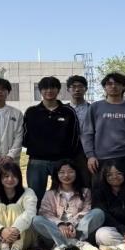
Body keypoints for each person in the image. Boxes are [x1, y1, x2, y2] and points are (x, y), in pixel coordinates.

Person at [23, 76, 80, 204]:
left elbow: (75, 135)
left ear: (58, 90)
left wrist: (69, 156)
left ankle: (63, 216)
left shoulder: (68, 111)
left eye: (53, 87)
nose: (49, 91)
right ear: (40, 91)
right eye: (45, 88)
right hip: (37, 160)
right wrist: (34, 147)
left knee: (63, 195)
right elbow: (24, 134)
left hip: (62, 160)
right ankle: (35, 216)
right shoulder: (32, 111)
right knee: (34, 196)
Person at [80, 72, 125, 186]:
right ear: (104, 87)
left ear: (124, 87)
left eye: (117, 83)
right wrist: (90, 156)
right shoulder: (95, 107)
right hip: (101, 158)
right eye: (109, 84)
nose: (113, 86)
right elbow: (87, 133)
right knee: (100, 191)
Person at [31, 160, 103, 250]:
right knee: (37, 219)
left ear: (76, 173)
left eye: (70, 172)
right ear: (56, 175)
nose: (66, 175)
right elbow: (45, 213)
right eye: (62, 172)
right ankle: (78, 244)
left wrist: (71, 223)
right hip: (55, 231)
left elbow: (86, 211)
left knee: (98, 213)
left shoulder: (85, 192)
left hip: (78, 230)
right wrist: (60, 224)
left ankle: (63, 244)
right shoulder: (50, 194)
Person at [66, 74, 92, 183]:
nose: (77, 89)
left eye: (80, 86)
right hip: (67, 151)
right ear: (68, 89)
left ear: (86, 89)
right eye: (73, 87)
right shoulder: (63, 109)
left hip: (87, 152)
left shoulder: (92, 109)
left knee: (87, 181)